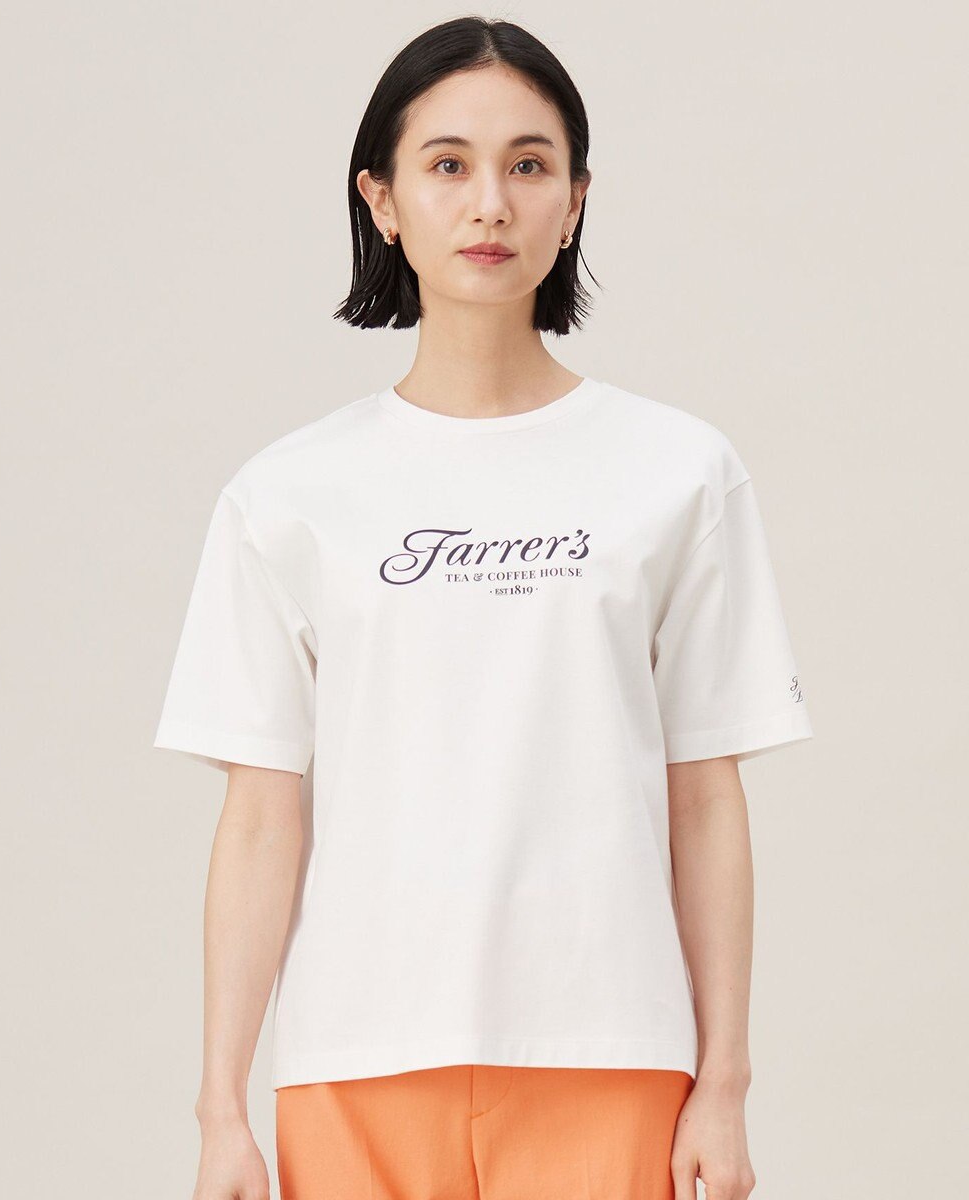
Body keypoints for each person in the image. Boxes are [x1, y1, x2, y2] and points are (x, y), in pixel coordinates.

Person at [153, 16, 813, 1200]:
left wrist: (724, 1081)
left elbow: (706, 794)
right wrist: (220, 1111)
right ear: (382, 199)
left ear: (574, 201)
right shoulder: (288, 493)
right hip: (356, 1057)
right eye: (448, 164)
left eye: (529, 164)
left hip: (608, 1048)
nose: (490, 204)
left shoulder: (678, 471)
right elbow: (260, 817)